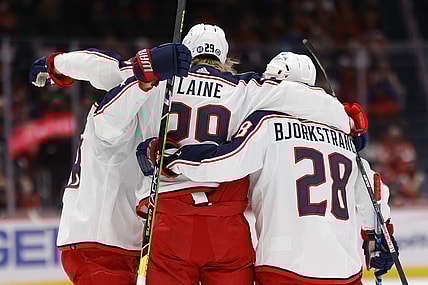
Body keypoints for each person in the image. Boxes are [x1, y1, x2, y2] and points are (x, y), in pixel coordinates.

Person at [97, 23, 355, 285]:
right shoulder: (244, 89)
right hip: (226, 224)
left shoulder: (158, 84)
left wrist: (142, 69)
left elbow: (106, 124)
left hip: (169, 220)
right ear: (224, 56)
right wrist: (346, 121)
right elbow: (299, 94)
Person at [141, 99, 399, 284]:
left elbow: (225, 163)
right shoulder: (345, 139)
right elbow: (373, 191)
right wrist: (381, 238)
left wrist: (175, 158)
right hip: (344, 269)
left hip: (284, 265)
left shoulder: (267, 126)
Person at [29, 43, 192, 284]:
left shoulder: (150, 98)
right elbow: (115, 106)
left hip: (123, 243)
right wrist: (145, 79)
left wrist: (57, 65)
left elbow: (104, 66)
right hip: (99, 244)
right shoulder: (114, 116)